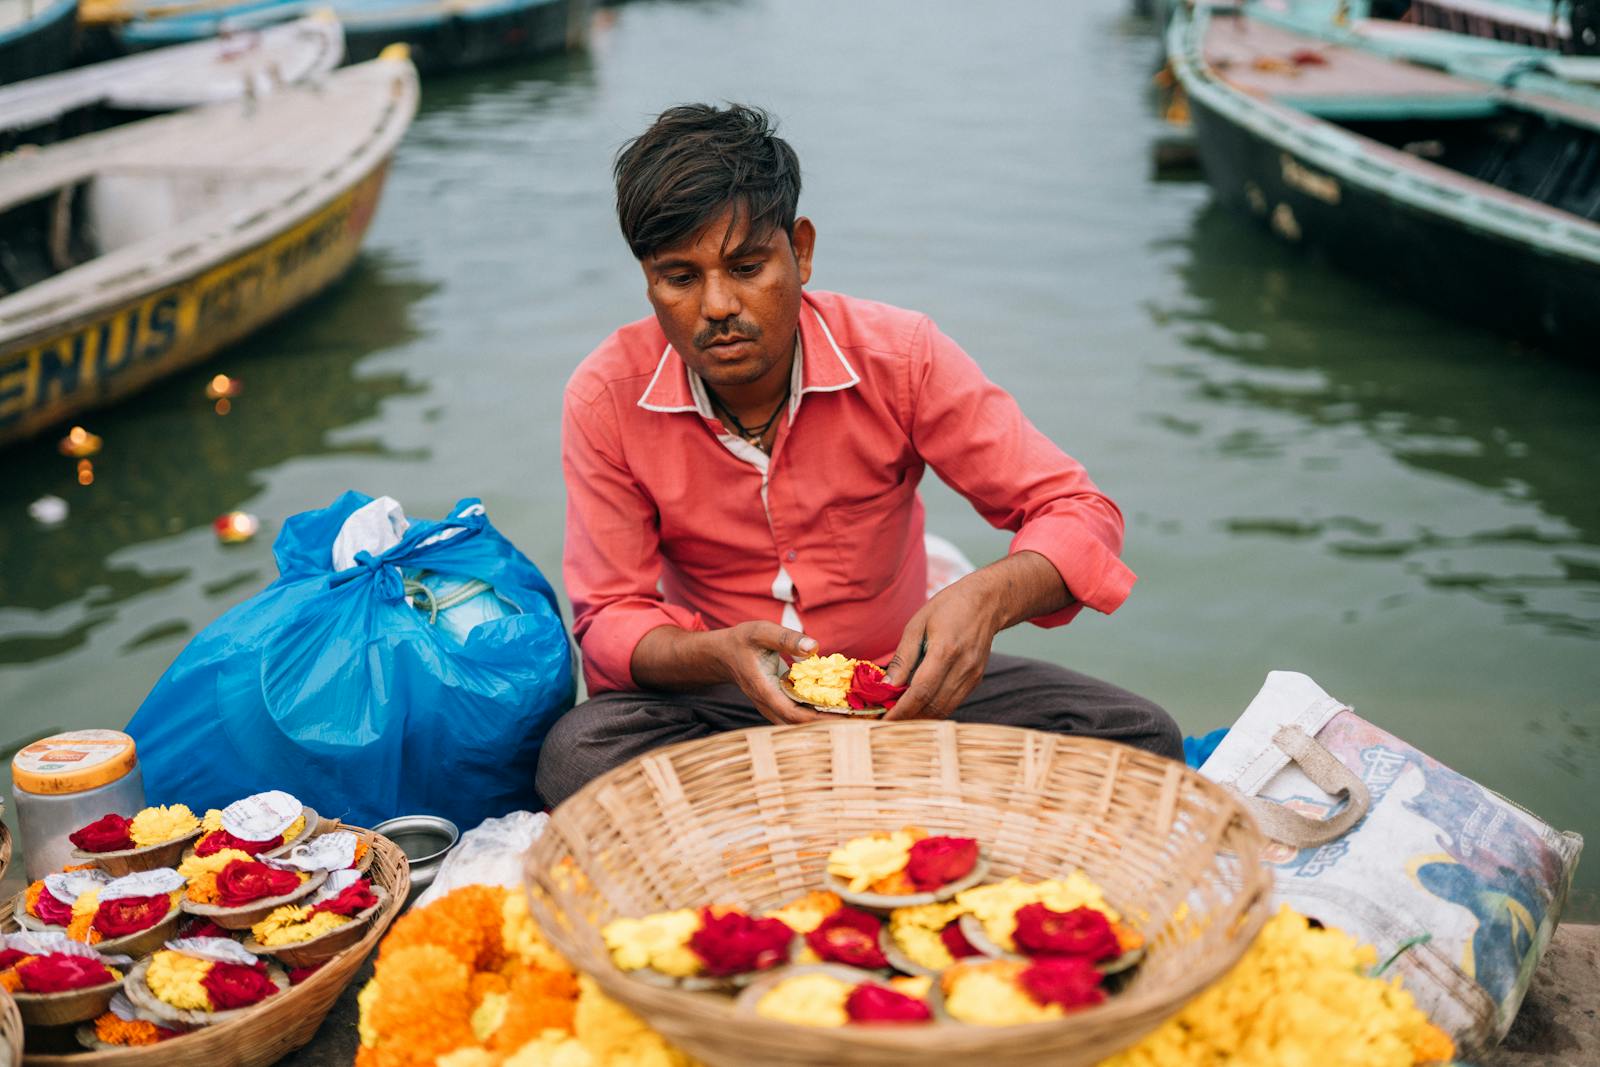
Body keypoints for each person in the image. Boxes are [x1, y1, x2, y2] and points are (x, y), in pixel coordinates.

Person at [535, 104, 1180, 807]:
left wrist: (986, 599)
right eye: (680, 278)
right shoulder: (606, 396)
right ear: (648, 279)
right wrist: (717, 654)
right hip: (729, 701)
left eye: (747, 266)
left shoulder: (900, 357)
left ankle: (806, 802)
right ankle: (889, 799)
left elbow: (1077, 511)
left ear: (801, 251)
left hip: (904, 692)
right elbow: (610, 618)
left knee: (1139, 737)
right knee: (575, 759)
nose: (717, 304)